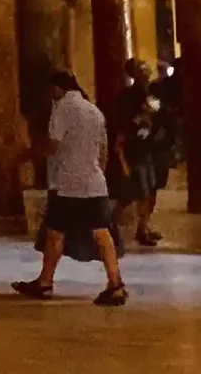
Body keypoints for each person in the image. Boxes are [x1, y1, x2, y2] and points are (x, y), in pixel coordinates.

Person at [14, 69, 128, 306]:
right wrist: (93, 171)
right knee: (102, 232)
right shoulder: (93, 110)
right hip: (94, 182)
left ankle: (45, 283)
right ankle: (115, 283)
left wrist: (31, 153)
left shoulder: (63, 109)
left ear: (57, 88)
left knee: (55, 232)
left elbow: (54, 146)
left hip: (67, 184)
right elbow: (103, 152)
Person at [106, 57, 170, 248]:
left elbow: (160, 114)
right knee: (133, 193)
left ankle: (144, 227)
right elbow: (122, 125)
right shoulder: (125, 97)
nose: (146, 72)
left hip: (150, 147)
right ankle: (109, 223)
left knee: (150, 189)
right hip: (134, 149)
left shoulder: (151, 93)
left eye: (146, 69)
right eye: (141, 69)